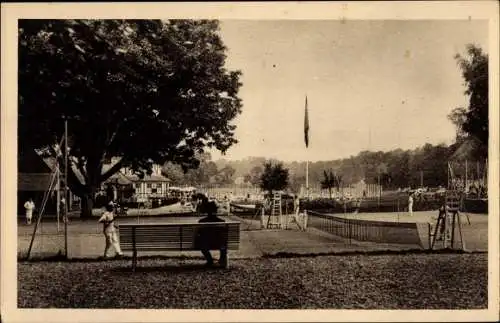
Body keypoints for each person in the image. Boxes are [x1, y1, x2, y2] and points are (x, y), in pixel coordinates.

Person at [197, 198, 227, 267]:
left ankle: (210, 260)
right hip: (219, 243)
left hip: (206, 243)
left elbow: (199, 233)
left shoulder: (202, 221)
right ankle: (222, 259)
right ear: (215, 210)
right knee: (223, 241)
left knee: (200, 241)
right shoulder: (222, 221)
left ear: (207, 211)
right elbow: (224, 233)